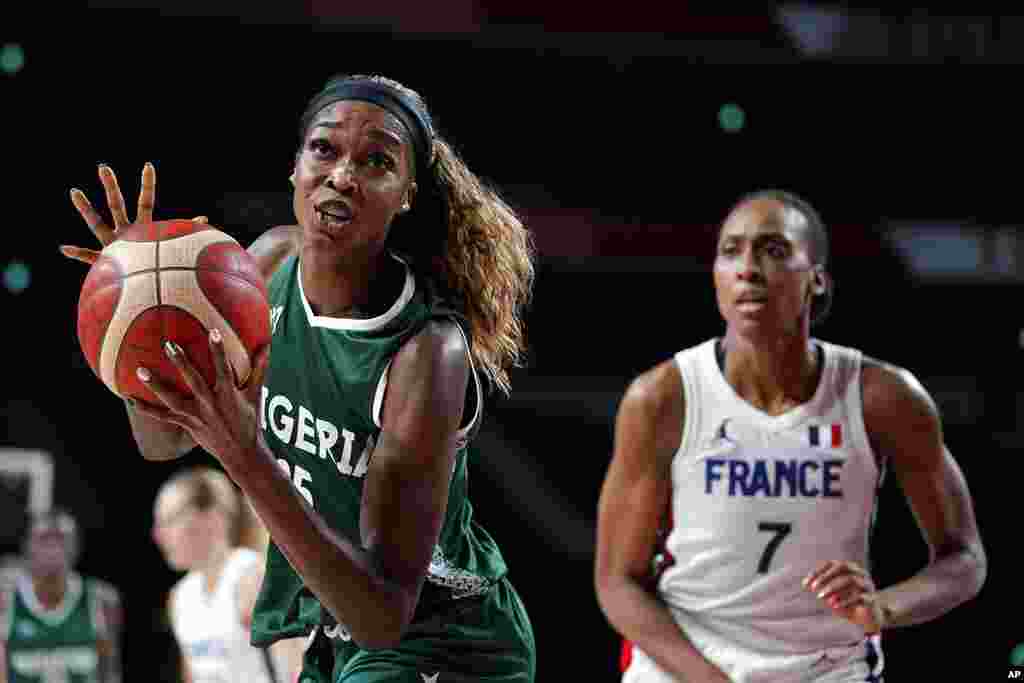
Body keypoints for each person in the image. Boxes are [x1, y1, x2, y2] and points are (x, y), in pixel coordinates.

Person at [63, 73, 537, 682]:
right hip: (337, 631)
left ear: (406, 194)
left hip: (445, 639)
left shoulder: (427, 352)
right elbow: (162, 440)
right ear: (295, 168)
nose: (342, 174)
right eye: (325, 149)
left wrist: (245, 455)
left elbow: (384, 614)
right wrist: (140, 317)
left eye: (375, 161)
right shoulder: (267, 265)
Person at [594, 190, 987, 682]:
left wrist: (884, 608)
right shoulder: (663, 398)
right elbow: (616, 583)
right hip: (687, 667)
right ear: (716, 275)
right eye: (730, 251)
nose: (748, 269)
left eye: (774, 251)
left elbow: (965, 559)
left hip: (828, 668)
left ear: (817, 279)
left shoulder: (882, 398)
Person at [152, 465, 307, 683]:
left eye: (169, 520)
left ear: (212, 517)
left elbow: (299, 669)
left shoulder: (251, 579)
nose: (159, 536)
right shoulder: (180, 597)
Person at [0, 508, 123, 683]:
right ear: (27, 546)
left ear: (76, 546)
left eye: (61, 539)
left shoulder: (101, 600)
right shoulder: (6, 601)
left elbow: (110, 675)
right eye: (44, 539)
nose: (53, 548)